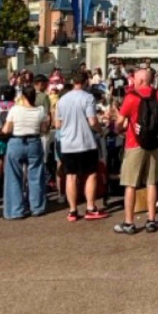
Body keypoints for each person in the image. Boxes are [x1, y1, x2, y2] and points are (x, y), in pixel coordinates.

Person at [114, 67, 158, 234]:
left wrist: (120, 127)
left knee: (130, 184)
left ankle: (129, 222)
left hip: (134, 142)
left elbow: (119, 124)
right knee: (151, 182)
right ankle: (151, 220)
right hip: (154, 142)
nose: (132, 81)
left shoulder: (131, 97)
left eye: (134, 79)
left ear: (141, 80)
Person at [53, 70, 105, 223]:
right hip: (85, 142)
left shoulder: (62, 100)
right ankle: (90, 207)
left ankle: (73, 210)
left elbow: (57, 124)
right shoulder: (87, 97)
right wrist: (100, 131)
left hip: (68, 143)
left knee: (71, 176)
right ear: (85, 82)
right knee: (91, 174)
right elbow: (92, 121)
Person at [0, 84, 51, 220]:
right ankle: (37, 207)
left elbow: (6, 130)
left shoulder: (15, 110)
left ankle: (16, 210)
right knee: (36, 176)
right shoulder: (40, 110)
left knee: (14, 177)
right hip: (34, 141)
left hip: (16, 142)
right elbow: (44, 129)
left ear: (22, 96)